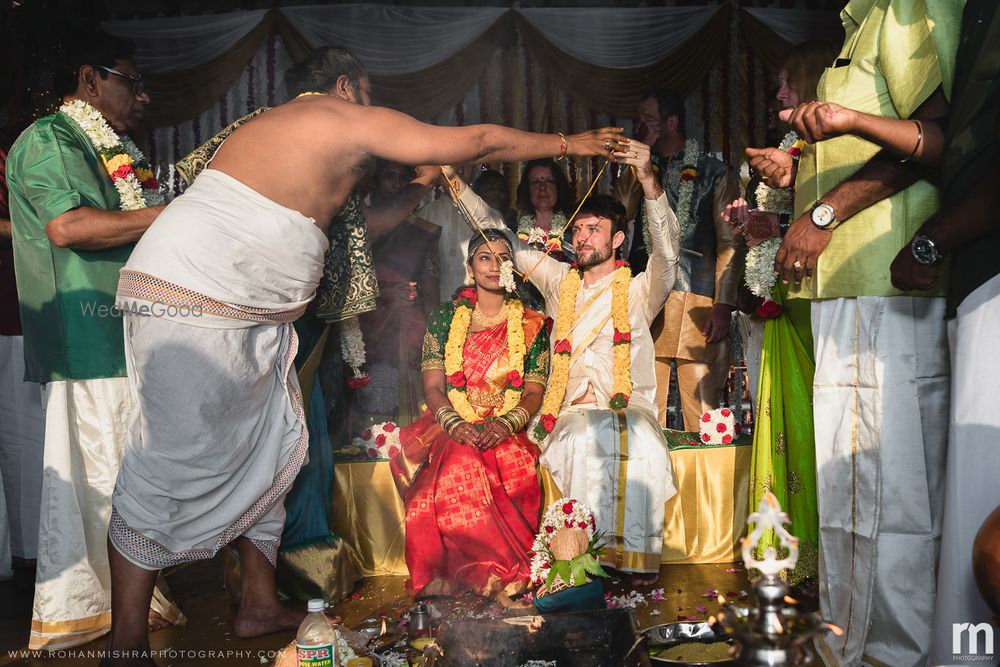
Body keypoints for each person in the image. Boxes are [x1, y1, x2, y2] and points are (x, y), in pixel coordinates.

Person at [105, 42, 626, 663]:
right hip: (196, 296)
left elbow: (356, 232)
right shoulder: (340, 116)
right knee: (168, 461)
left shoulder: (281, 129)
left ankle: (259, 605)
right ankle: (126, 641)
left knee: (271, 442)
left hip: (247, 309)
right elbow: (480, 140)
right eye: (371, 92)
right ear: (348, 86)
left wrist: (417, 191)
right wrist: (575, 144)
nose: (376, 108)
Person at [777, 3, 999, 661]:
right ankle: (851, 640)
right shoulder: (861, 19)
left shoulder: (911, 8)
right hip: (846, 279)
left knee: (894, 488)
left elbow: (938, 135)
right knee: (849, 485)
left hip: (888, 271)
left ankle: (897, 651)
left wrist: (825, 210)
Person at [5, 33, 185, 650]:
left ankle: (130, 604)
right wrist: (179, 215)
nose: (144, 95)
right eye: (130, 82)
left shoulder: (107, 144)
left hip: (124, 329)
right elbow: (68, 225)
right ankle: (89, 610)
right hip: (88, 334)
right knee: (110, 471)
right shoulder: (51, 140)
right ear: (89, 78)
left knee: (125, 470)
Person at [446, 140, 678, 585]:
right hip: (568, 410)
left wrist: (648, 180)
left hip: (631, 407)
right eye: (580, 229)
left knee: (645, 449)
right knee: (580, 446)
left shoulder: (640, 289)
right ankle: (583, 564)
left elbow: (667, 252)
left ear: (617, 239)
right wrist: (454, 180)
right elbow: (501, 235)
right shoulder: (558, 280)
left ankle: (634, 566)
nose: (584, 237)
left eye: (595, 229)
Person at [722, 40, 835, 587]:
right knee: (778, 414)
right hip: (780, 297)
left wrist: (778, 214)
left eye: (789, 81)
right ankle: (787, 546)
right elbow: (781, 227)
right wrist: (749, 223)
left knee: (812, 417)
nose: (780, 92)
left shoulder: (823, 145)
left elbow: (826, 214)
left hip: (812, 298)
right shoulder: (788, 145)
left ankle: (818, 547)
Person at [389, 229, 549, 601]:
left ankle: (503, 571)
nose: (495, 266)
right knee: (458, 460)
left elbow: (533, 391)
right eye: (485, 258)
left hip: (507, 424)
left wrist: (504, 424)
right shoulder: (445, 319)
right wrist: (457, 425)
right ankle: (474, 573)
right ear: (469, 268)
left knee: (511, 460)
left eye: (503, 258)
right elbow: (433, 389)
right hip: (452, 423)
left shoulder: (531, 323)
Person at [615, 89, 742, 431]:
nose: (640, 127)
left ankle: (712, 483)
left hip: (699, 301)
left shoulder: (714, 172)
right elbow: (621, 212)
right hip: (648, 299)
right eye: (636, 121)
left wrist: (723, 304)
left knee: (705, 412)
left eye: (648, 119)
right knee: (643, 408)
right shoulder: (641, 172)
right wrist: (637, 166)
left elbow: (729, 240)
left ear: (672, 122)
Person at [348, 161, 441, 432]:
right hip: (362, 329)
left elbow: (431, 292)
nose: (398, 184)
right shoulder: (356, 226)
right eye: (390, 176)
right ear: (374, 183)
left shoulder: (422, 233)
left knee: (409, 414)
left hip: (408, 330)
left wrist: (434, 343)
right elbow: (340, 285)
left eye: (405, 178)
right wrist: (385, 294)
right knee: (364, 414)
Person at [0, 126, 44, 589]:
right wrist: (34, 227)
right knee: (22, 436)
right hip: (11, 314)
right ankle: (29, 549)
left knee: (35, 434)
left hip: (30, 309)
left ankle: (39, 544)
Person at [514, 158, 574, 260]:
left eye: (549, 181)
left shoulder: (573, 231)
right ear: (527, 190)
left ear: (559, 188)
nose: (542, 188)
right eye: (535, 182)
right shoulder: (513, 232)